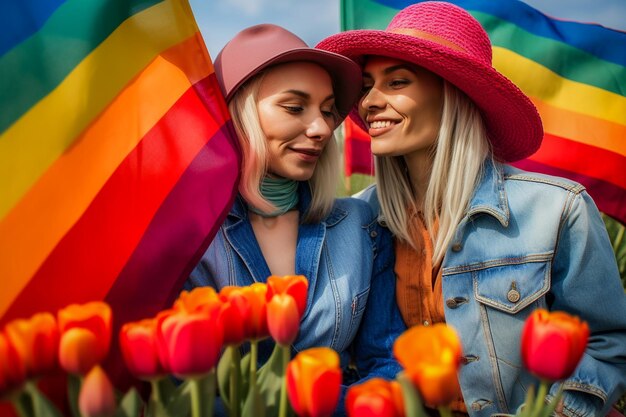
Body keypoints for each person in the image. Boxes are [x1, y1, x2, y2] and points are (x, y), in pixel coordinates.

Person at [317, 2, 626, 417]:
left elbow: (608, 344)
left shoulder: (556, 209)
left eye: (397, 82)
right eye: (368, 84)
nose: (369, 101)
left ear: (453, 93)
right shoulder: (360, 220)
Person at [186, 23, 405, 414]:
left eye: (327, 111)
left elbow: (386, 364)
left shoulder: (361, 226)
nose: (322, 128)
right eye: (294, 107)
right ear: (239, 112)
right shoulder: (190, 235)